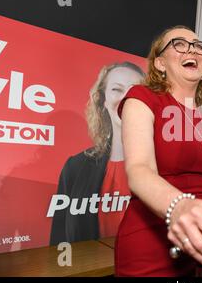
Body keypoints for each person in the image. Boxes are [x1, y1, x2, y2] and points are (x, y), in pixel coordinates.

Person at [116, 26, 202, 276]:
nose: (192, 49)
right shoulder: (141, 97)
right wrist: (179, 206)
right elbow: (139, 170)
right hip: (152, 243)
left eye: (198, 46)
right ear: (159, 63)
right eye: (179, 44)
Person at [50, 62, 145, 245]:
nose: (126, 97)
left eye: (135, 89)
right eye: (117, 89)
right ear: (104, 100)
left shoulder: (164, 163)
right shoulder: (75, 167)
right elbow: (59, 240)